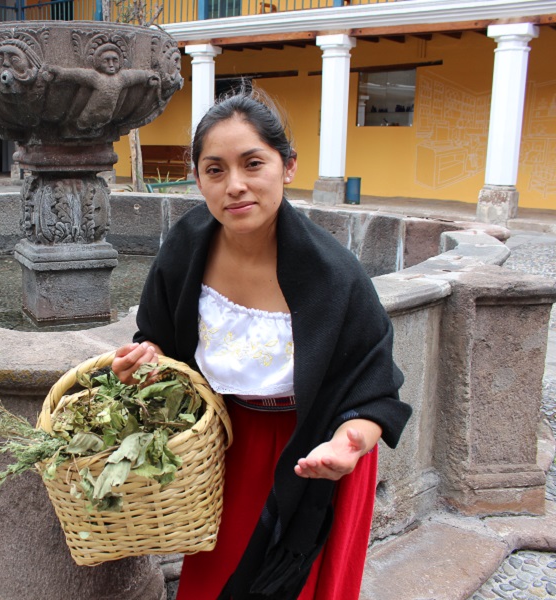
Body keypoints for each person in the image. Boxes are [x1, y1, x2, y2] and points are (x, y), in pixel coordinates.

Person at [112, 90, 412, 600]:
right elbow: (158, 337)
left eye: (253, 164)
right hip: (226, 448)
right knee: (215, 584)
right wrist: (147, 362)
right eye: (215, 170)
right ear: (199, 177)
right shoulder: (186, 248)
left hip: (312, 452)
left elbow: (375, 392)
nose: (235, 186)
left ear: (287, 166)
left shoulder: (334, 276)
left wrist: (348, 446)